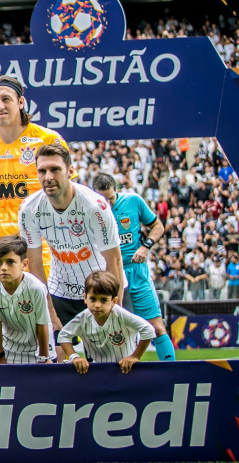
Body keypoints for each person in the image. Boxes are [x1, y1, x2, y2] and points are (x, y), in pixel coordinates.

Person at [18, 144, 124, 360]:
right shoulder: (29, 209)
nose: (48, 177)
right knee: (61, 364)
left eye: (55, 169)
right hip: (60, 292)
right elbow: (35, 265)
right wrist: (50, 314)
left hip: (100, 291)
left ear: (70, 171)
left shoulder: (96, 206)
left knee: (109, 361)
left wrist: (115, 311)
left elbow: (114, 261)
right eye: (42, 171)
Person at [0, 75, 70, 277]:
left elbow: (70, 194)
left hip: (45, 253)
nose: (0, 105)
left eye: (6, 99)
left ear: (20, 102)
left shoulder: (47, 139)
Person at [92, 172, 176, 362]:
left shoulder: (133, 201)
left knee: (156, 326)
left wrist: (145, 247)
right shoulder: (89, 209)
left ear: (116, 190)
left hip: (135, 270)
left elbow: (158, 226)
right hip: (107, 276)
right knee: (109, 331)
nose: (108, 204)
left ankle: (172, 375)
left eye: (111, 198)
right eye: (103, 199)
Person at [58, 271, 156, 374]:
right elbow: (63, 335)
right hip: (98, 370)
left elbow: (148, 330)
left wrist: (135, 356)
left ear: (113, 301)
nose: (97, 305)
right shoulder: (82, 318)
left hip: (126, 369)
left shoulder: (121, 314)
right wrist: (74, 357)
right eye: (93, 299)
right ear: (85, 298)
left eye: (103, 300)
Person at [0, 235, 55, 364]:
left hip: (39, 349)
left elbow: (42, 324)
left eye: (10, 262)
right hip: (8, 349)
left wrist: (44, 358)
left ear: (24, 264)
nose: (3, 267)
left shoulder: (36, 287)